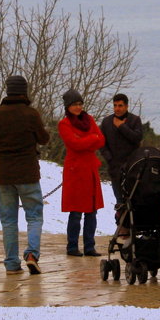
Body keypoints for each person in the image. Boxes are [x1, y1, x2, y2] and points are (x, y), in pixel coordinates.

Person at [0, 75, 50, 274]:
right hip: (28, 173)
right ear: (24, 91)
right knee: (34, 216)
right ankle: (32, 254)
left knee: (8, 220)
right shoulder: (31, 114)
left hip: (4, 174)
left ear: (7, 91)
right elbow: (44, 138)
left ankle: (12, 263)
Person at [58, 89, 105, 257]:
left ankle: (89, 246)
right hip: (76, 171)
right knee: (76, 211)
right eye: (74, 104)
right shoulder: (64, 124)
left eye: (80, 104)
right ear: (67, 107)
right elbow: (74, 144)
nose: (78, 107)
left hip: (90, 169)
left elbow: (101, 140)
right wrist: (91, 139)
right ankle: (72, 247)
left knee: (91, 210)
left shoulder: (89, 119)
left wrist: (86, 141)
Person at [99, 93, 143, 206]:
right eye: (115, 105)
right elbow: (101, 143)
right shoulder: (106, 122)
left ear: (126, 106)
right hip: (115, 169)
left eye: (120, 105)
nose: (117, 108)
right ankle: (121, 223)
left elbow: (137, 138)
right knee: (120, 203)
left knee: (135, 202)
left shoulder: (135, 120)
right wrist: (110, 159)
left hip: (133, 168)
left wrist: (122, 126)